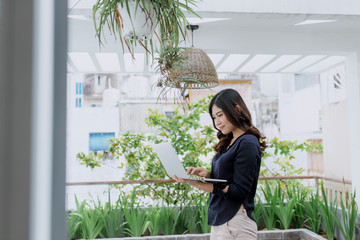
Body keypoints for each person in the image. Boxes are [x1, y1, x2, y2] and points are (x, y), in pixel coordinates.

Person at [173, 88, 267, 240]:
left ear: (237, 109)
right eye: (214, 118)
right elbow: (229, 178)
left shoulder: (248, 143)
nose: (217, 123)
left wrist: (197, 183)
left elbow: (239, 191)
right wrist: (209, 175)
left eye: (220, 115)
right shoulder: (229, 142)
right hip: (221, 220)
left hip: (236, 222)